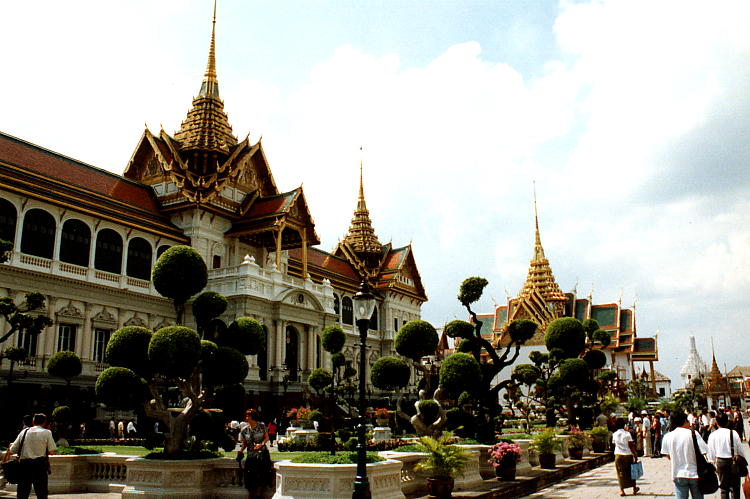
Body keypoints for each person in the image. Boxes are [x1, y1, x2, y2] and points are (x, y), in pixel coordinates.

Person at [2, 413, 56, 499]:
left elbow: (12, 450)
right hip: (40, 466)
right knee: (41, 492)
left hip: (24, 466)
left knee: (23, 493)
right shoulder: (47, 432)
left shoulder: (24, 432)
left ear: (33, 421)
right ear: (45, 422)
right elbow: (52, 451)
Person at [661, 409, 710, 499]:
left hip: (678, 473)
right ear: (684, 421)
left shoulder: (667, 436)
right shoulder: (693, 434)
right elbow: (704, 451)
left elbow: (667, 455)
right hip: (695, 473)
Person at [708, 412, 749, 499]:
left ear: (716, 422)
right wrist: (743, 461)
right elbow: (740, 450)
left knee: (723, 488)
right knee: (735, 487)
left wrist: (713, 463)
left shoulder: (713, 435)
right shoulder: (733, 433)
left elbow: (711, 452)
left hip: (720, 462)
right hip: (733, 461)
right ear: (727, 422)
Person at [237, 409, 272, 499]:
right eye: (246, 416)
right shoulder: (244, 430)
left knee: (261, 475)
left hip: (262, 454)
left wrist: (261, 444)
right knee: (249, 476)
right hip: (251, 455)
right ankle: (251, 494)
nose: (246, 417)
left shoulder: (262, 426)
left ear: (253, 417)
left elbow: (267, 438)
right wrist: (241, 451)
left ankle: (259, 494)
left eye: (248, 416)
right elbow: (245, 443)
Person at [612, 418, 640, 496]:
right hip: (628, 455)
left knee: (620, 473)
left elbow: (614, 444)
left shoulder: (614, 434)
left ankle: (622, 490)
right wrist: (635, 454)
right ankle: (634, 488)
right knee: (631, 472)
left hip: (618, 455)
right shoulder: (627, 434)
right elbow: (631, 445)